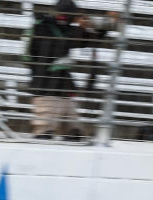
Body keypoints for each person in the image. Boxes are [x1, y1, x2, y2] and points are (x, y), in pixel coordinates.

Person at [24, 0, 112, 141]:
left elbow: (88, 40)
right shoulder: (42, 27)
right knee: (44, 131)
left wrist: (104, 26)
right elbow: (60, 43)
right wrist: (80, 29)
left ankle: (71, 133)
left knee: (73, 131)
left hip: (62, 85)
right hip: (45, 85)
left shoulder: (65, 29)